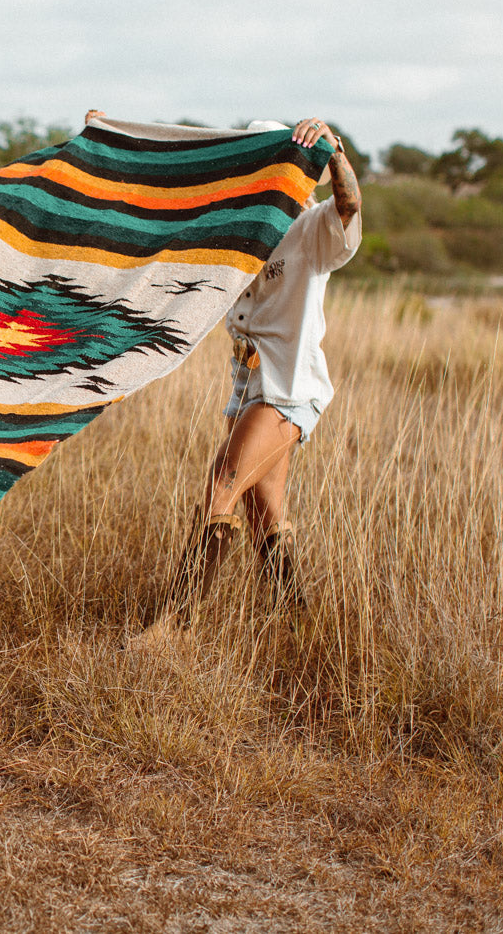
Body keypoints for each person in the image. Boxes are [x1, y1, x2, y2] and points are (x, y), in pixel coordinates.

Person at [129, 114, 363, 635]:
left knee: (222, 486)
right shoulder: (239, 238)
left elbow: (349, 206)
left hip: (288, 388)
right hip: (247, 386)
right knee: (265, 519)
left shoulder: (310, 229)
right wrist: (117, 145)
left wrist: (335, 151)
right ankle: (298, 626)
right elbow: (167, 205)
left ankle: (172, 627)